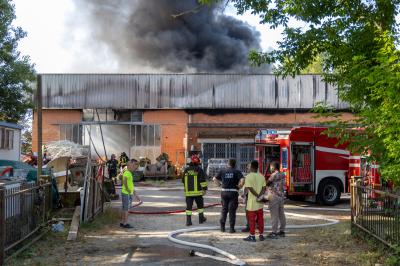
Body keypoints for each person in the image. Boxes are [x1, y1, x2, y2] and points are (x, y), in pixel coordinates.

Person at [214, 159, 244, 233]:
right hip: (233, 193)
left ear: (228, 164)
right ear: (235, 164)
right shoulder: (237, 171)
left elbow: (214, 178)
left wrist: (219, 185)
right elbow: (243, 180)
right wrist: (239, 187)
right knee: (232, 211)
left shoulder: (223, 171)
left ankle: (222, 228)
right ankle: (231, 229)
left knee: (224, 209)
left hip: (224, 192)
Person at [243, 160, 266, 242]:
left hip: (252, 203)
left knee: (251, 220)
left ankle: (252, 236)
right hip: (260, 203)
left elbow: (250, 188)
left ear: (252, 167)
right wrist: (260, 196)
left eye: (249, 166)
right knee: (260, 219)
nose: (248, 168)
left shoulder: (248, 177)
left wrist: (256, 195)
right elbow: (264, 188)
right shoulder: (262, 176)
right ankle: (261, 235)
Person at [183, 154, 208, 226]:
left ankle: (188, 221)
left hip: (188, 193)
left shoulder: (186, 170)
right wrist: (204, 189)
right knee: (200, 206)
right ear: (198, 162)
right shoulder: (199, 170)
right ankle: (201, 219)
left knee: (189, 207)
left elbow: (183, 180)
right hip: (198, 193)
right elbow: (202, 180)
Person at [267, 161, 286, 238]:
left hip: (274, 196)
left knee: (274, 215)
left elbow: (267, 183)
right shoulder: (282, 174)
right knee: (281, 214)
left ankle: (274, 232)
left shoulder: (273, 175)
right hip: (281, 196)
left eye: (271, 167)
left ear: (273, 167)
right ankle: (282, 231)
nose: (270, 168)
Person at [120, 159, 141, 229]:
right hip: (127, 193)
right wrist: (127, 189)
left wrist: (135, 194)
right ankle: (125, 223)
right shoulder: (127, 172)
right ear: (131, 165)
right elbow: (124, 180)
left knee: (125, 208)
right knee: (126, 209)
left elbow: (131, 184)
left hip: (127, 193)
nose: (135, 168)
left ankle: (123, 222)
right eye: (135, 166)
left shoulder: (129, 173)